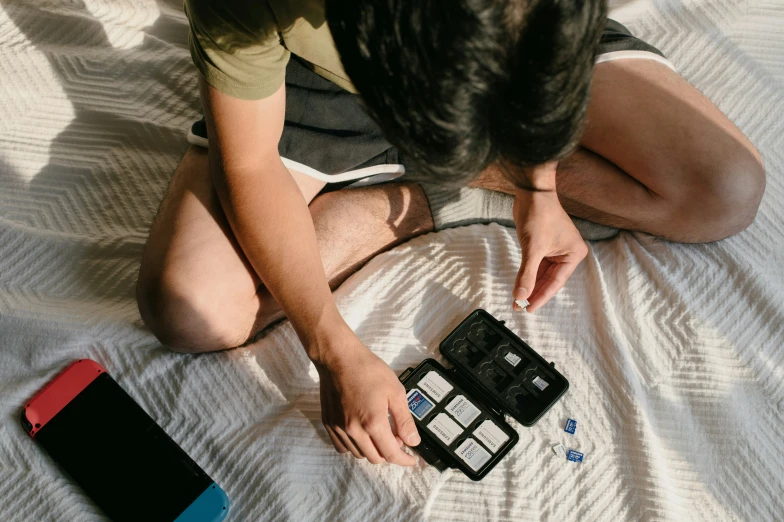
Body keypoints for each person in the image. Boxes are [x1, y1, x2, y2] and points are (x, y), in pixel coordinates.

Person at [136, 0, 764, 467]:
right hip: (314, 88)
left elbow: (539, 69)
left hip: (499, 50)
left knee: (725, 193)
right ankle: (424, 189)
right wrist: (331, 347)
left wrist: (538, 185)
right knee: (192, 311)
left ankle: (450, 180)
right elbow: (248, 162)